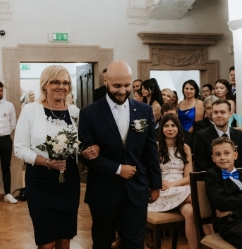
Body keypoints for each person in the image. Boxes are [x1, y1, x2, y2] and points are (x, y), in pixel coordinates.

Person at [75, 61, 161, 249]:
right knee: (102, 242)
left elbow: (150, 150)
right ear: (105, 81)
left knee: (135, 243)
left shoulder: (144, 111)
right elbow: (84, 154)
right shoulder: (90, 113)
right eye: (117, 86)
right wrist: (117, 169)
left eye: (127, 85)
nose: (122, 90)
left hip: (136, 190)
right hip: (103, 191)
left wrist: (155, 185)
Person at [14, 65, 83, 249]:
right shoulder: (30, 110)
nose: (62, 86)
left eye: (66, 82)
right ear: (45, 84)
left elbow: (82, 144)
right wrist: (46, 162)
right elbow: (20, 148)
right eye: (56, 82)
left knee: (64, 239)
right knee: (46, 242)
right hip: (40, 181)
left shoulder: (75, 112)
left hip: (68, 180)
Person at [147, 113, 209, 249]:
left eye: (173, 125)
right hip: (162, 190)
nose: (170, 129)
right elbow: (152, 173)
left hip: (181, 187)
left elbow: (189, 176)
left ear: (178, 128)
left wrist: (173, 184)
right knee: (198, 198)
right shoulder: (155, 147)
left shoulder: (185, 148)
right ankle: (210, 234)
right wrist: (167, 185)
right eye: (166, 126)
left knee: (191, 212)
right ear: (161, 128)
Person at [193, 99, 242, 172]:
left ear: (230, 114)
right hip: (213, 181)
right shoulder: (201, 136)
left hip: (239, 179)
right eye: (216, 112)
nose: (219, 115)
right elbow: (201, 168)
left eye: (223, 112)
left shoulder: (241, 135)